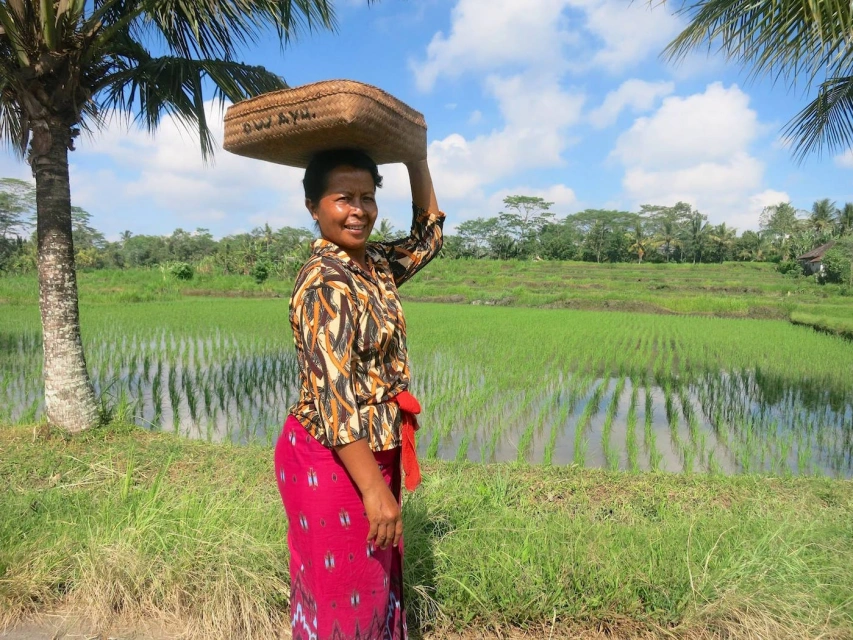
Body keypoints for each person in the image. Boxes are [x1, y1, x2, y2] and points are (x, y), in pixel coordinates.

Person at [274, 147, 444, 640]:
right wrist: (375, 491)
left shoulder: (373, 265)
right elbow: (335, 402)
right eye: (343, 198)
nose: (358, 210)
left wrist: (415, 160)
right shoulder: (325, 282)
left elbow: (428, 238)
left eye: (367, 198)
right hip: (335, 457)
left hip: (371, 451)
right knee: (349, 594)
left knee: (373, 588)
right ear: (313, 207)